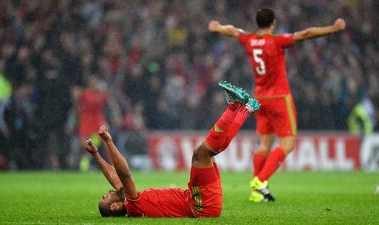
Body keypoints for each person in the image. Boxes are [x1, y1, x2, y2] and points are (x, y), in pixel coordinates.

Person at [208, 8, 346, 202]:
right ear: (273, 23)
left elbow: (232, 30)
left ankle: (257, 193)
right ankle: (260, 181)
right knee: (287, 144)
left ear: (258, 23)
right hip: (279, 98)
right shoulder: (277, 41)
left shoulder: (249, 40)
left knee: (264, 144)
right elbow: (306, 34)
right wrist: (333, 28)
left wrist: (217, 27)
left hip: (260, 99)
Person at [83, 81, 260, 217]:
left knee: (205, 153)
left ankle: (234, 107)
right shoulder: (132, 204)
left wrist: (96, 154)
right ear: (115, 206)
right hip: (201, 207)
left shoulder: (130, 200)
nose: (107, 192)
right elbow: (124, 174)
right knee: (202, 153)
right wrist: (109, 142)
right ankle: (245, 108)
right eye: (106, 198)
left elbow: (115, 177)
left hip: (196, 200)